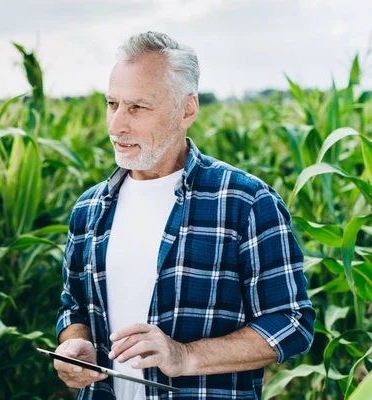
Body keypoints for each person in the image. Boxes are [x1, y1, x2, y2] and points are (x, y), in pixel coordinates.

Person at [53, 31, 315, 400]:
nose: (116, 126)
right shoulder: (90, 208)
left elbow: (292, 323)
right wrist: (75, 344)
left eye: (138, 107)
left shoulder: (245, 201)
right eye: (112, 104)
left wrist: (186, 355)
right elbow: (74, 307)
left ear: (187, 109)